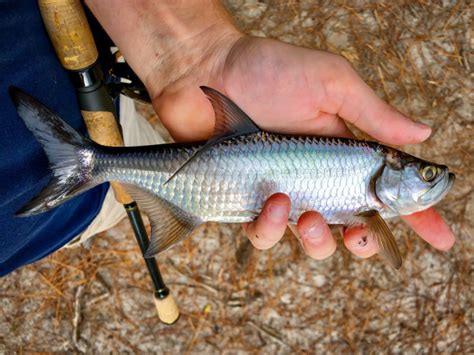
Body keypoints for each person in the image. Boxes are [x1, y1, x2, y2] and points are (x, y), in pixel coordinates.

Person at [0, 1, 454, 276]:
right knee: (113, 189)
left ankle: (99, 170)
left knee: (114, 190)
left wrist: (198, 54)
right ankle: (97, 168)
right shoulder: (367, 181)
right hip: (73, 195)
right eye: (425, 173)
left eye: (426, 173)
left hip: (73, 207)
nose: (431, 178)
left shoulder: (368, 186)